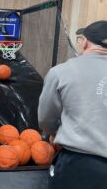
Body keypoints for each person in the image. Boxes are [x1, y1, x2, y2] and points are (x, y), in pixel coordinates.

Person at [38, 20, 107, 189]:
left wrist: (54, 132)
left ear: (85, 42)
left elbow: (46, 119)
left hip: (78, 165)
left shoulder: (61, 72)